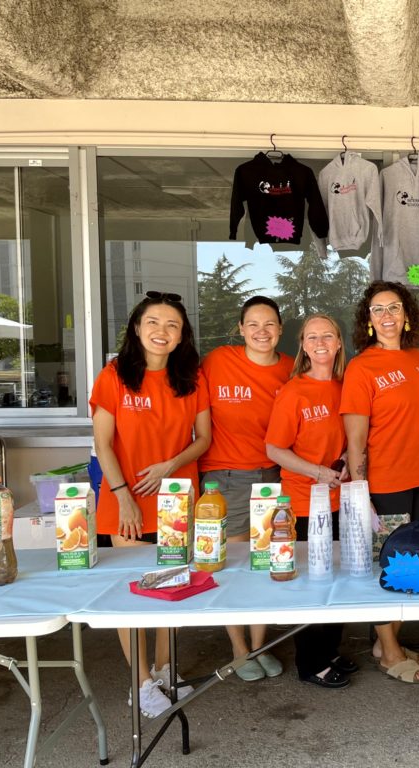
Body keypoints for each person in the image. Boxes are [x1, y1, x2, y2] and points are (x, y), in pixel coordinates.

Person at [90, 290, 210, 718]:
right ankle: (139, 683)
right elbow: (103, 444)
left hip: (176, 500)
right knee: (135, 591)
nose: (162, 332)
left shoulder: (191, 378)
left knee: (172, 586)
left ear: (181, 336)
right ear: (137, 329)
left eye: (172, 325)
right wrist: (123, 497)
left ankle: (165, 668)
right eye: (154, 323)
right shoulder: (115, 375)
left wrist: (169, 466)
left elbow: (203, 440)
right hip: (126, 502)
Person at [341, 281, 419, 684]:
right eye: (378, 310)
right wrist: (361, 492)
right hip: (386, 481)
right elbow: (354, 441)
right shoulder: (361, 367)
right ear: (369, 320)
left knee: (418, 563)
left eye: (394, 308)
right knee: (389, 564)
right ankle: (389, 651)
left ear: (406, 316)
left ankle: (387, 642)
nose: (387, 317)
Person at [200, 296, 293, 682]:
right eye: (253, 324)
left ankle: (260, 645)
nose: (261, 331)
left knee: (267, 562)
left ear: (280, 330)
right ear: (240, 329)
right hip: (226, 478)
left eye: (269, 324)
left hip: (273, 476)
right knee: (234, 566)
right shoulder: (218, 360)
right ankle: (239, 649)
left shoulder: (290, 368)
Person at [265, 314, 357, 688]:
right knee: (312, 582)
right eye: (312, 337)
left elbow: (355, 432)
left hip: (341, 500)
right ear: (303, 346)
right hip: (305, 502)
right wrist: (316, 472)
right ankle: (310, 662)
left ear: (338, 343)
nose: (320, 343)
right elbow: (274, 448)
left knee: (337, 577)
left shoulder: (345, 387)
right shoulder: (294, 391)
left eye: (328, 336)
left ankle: (330, 649)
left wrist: (351, 456)